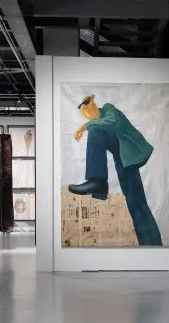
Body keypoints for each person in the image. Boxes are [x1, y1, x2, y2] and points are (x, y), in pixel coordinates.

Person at [68, 94, 163, 246]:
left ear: (94, 101)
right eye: (84, 110)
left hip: (130, 153)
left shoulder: (108, 109)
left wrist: (85, 126)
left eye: (88, 103)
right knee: (135, 202)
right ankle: (151, 245)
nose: (87, 109)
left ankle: (97, 181)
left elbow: (113, 121)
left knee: (136, 202)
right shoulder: (96, 124)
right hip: (122, 157)